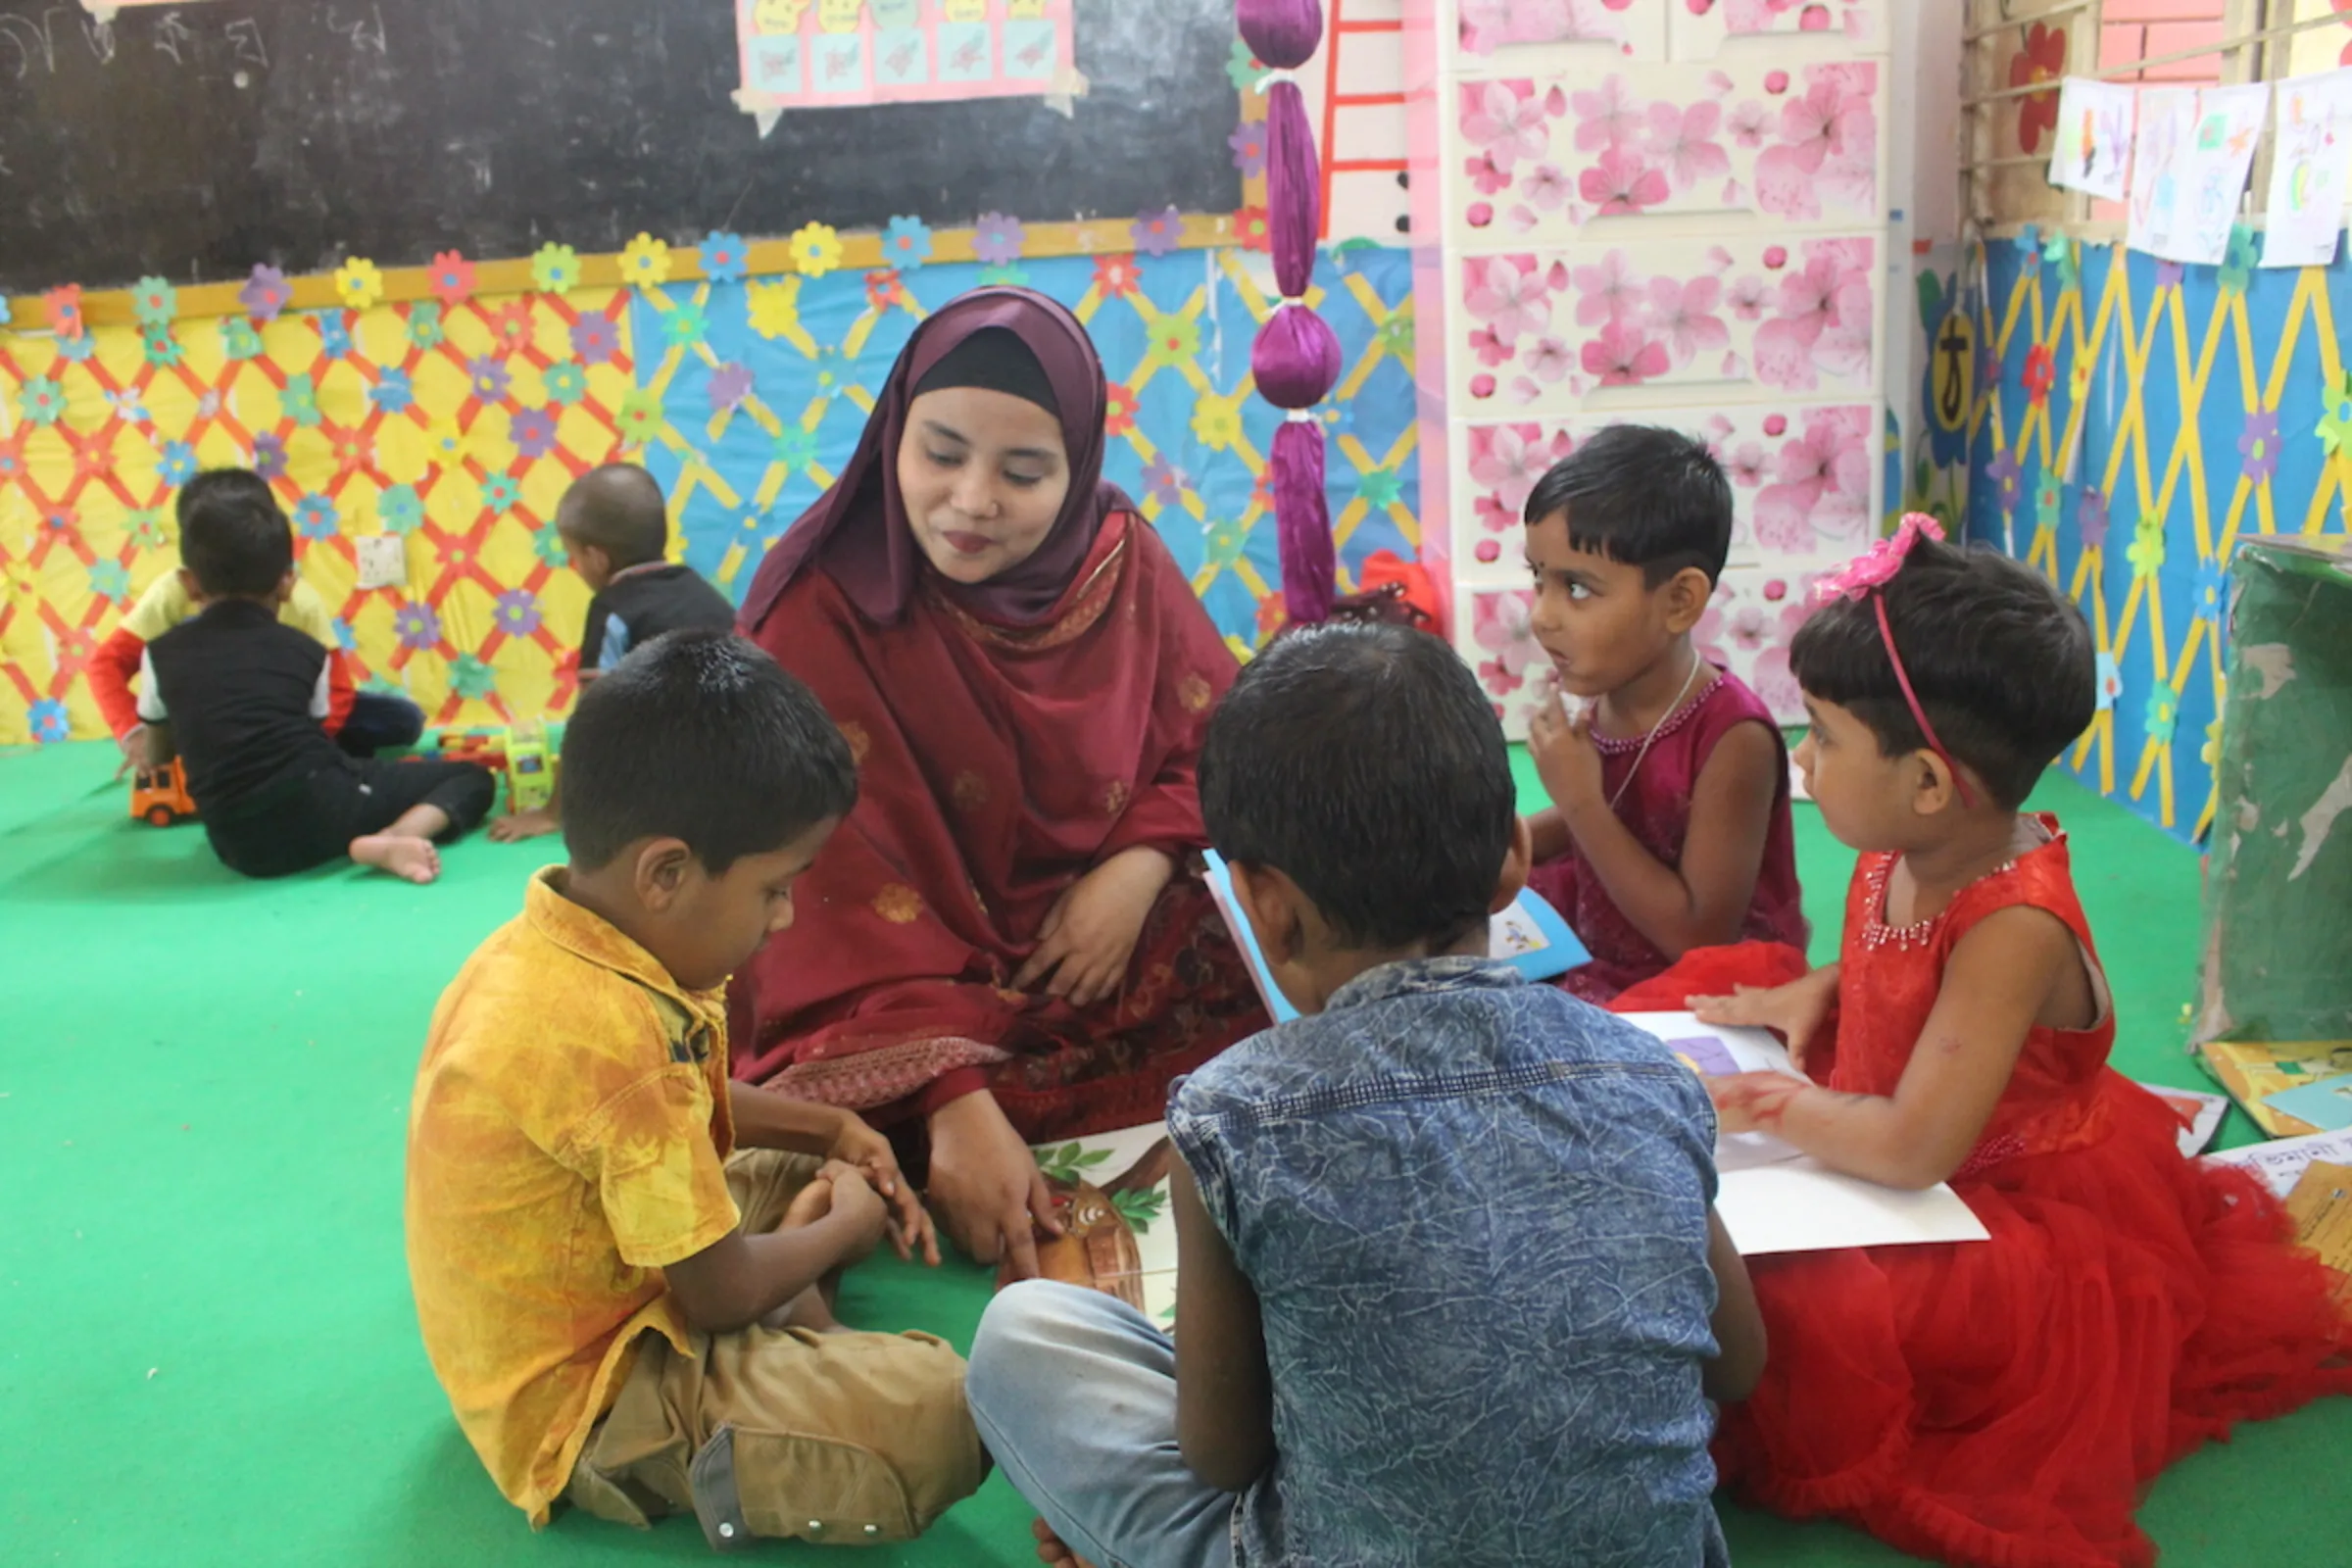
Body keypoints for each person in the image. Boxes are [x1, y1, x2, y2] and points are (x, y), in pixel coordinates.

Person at [966, 622, 1766, 1568]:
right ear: (1514, 855)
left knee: (1023, 1334)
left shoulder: (1231, 1121)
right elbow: (1739, 1361)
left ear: (1263, 902)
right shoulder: (1646, 1071)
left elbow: (1223, 1456)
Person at [1635, 518, 2352, 1568]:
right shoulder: (1907, 840)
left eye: (1826, 737)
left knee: (1802, 1306)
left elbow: (1917, 1150)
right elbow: (1895, 966)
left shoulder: (2012, 924)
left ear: (1928, 781)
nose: (1804, 757)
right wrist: (1817, 995)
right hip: (1892, 1105)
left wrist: (1776, 1105)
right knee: (1714, 995)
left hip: (1987, 1196)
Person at [729, 287, 1265, 1280]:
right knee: (794, 1083)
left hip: (1091, 952)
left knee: (1279, 943)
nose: (972, 501)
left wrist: (1138, 867)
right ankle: (923, 1120)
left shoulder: (1120, 562)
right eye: (940, 453)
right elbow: (816, 890)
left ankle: (901, 1145)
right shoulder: (816, 610)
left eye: (1024, 472)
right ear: (892, 436)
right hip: (891, 981)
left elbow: (1221, 737)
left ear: (1079, 470)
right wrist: (951, 1095)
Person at [406, 629, 985, 1544]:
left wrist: (834, 1129)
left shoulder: (565, 937)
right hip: (589, 1395)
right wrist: (848, 1227)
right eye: (775, 889)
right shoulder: (606, 1041)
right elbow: (709, 1291)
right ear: (666, 873)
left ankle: (789, 1305)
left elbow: (691, 1097)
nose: (787, 916)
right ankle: (781, 1340)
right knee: (943, 1411)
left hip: (624, 1265)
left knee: (809, 1163)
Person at [1517, 425, 1806, 1002]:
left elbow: (1698, 936)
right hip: (1607, 935)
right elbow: (1620, 809)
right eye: (1538, 579)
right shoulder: (1613, 687)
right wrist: (1508, 843)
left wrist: (1578, 801)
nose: (1543, 616)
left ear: (1679, 601)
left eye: (1576, 588)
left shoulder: (1733, 738)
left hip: (1702, 983)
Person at [131, 469, 493, 883]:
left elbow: (158, 756)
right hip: (326, 820)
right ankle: (395, 837)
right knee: (471, 777)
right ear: (286, 583)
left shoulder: (158, 655)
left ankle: (378, 829)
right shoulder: (305, 651)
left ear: (189, 584)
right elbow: (314, 739)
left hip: (239, 849)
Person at [90, 477, 422, 771]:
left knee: (400, 719)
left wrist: (306, 744)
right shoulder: (169, 595)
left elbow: (336, 690)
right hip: (206, 724)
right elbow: (107, 664)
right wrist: (134, 735)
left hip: (282, 720)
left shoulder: (299, 600)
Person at [491, 463, 734, 843]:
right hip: (739, 776)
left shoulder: (612, 608)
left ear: (597, 559)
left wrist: (553, 812)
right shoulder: (701, 590)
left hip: (669, 789)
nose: (575, 568)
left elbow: (590, 719)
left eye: (574, 557)